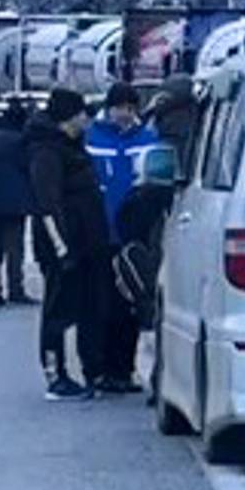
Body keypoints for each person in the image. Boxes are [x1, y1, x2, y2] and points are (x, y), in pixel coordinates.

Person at [25, 87, 110, 401]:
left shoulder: (72, 146)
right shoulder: (46, 151)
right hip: (64, 247)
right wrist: (62, 249)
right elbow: (48, 203)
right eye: (81, 114)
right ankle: (55, 374)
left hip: (88, 243)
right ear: (67, 117)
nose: (86, 119)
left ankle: (93, 370)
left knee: (90, 306)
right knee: (58, 311)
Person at [86, 82, 158, 393]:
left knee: (131, 305)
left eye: (130, 109)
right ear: (109, 107)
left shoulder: (147, 139)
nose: (125, 115)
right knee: (103, 305)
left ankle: (125, 369)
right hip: (101, 233)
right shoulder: (93, 138)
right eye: (120, 108)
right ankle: (102, 369)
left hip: (135, 235)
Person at [0, 103, 35, 307]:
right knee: (14, 249)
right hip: (16, 203)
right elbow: (29, 168)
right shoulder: (20, 142)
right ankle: (15, 290)